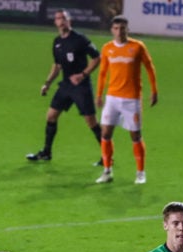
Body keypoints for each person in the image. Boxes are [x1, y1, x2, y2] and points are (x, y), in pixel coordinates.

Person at [25, 10, 102, 163]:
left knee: (91, 121)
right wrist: (47, 83)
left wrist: (83, 75)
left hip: (81, 86)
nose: (61, 21)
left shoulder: (80, 39)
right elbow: (57, 65)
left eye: (64, 18)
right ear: (55, 23)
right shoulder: (57, 42)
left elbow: (97, 57)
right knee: (51, 116)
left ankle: (107, 155)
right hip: (66, 85)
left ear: (69, 21)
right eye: (58, 18)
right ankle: (46, 152)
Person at [94, 15, 158, 185]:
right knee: (105, 133)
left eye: (122, 28)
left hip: (132, 99)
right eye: (116, 28)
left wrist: (154, 90)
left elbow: (150, 68)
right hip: (112, 98)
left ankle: (140, 173)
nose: (119, 31)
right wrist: (99, 94)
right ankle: (107, 170)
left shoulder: (137, 47)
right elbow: (102, 73)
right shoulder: (107, 48)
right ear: (112, 30)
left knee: (135, 135)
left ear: (127, 29)